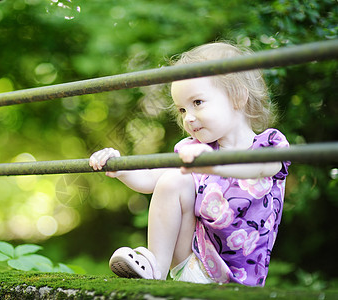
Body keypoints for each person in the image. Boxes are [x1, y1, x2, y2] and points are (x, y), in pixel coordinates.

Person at [89, 41, 290, 286]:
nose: (189, 117)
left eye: (197, 103)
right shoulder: (194, 150)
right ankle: (156, 269)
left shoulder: (270, 144)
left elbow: (256, 168)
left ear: (237, 97)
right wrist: (120, 168)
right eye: (182, 110)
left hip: (238, 281)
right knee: (174, 178)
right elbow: (153, 180)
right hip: (194, 261)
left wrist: (212, 165)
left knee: (181, 175)